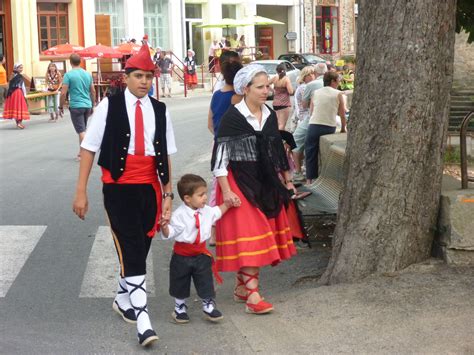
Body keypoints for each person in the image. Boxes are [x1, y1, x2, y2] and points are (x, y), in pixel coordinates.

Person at [72, 43, 177, 347]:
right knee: (130, 245)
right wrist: (80, 192)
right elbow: (89, 147)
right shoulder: (110, 105)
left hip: (150, 187)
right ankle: (143, 319)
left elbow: (166, 153)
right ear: (127, 77)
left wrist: (168, 192)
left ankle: (122, 297)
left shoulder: (160, 109)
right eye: (139, 76)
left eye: (149, 76)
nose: (145, 81)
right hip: (118, 186)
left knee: (140, 247)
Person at [211, 65, 297, 315]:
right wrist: (227, 191)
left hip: (265, 180)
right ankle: (253, 297)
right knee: (253, 237)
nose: (266, 91)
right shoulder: (232, 118)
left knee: (257, 237)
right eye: (260, 87)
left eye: (267, 86)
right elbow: (220, 160)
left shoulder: (269, 114)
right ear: (245, 89)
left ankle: (241, 288)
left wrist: (287, 180)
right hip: (238, 181)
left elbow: (276, 151)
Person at [160, 174, 231, 324]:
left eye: (205, 193)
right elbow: (171, 233)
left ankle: (208, 306)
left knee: (205, 280)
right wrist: (165, 227)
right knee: (180, 281)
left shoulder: (206, 210)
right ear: (187, 198)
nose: (205, 198)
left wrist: (228, 204)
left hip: (201, 254)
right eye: (201, 195)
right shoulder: (179, 215)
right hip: (182, 255)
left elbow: (218, 211)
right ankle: (179, 308)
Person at [207, 59, 243, 246]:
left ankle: (214, 233)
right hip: (237, 147)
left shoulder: (216, 95)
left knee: (217, 188)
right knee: (239, 185)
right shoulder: (238, 97)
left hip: (218, 145)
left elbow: (210, 125)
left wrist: (219, 137)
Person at [305, 71, 347, 184]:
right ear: (333, 81)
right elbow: (342, 114)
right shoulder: (338, 94)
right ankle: (326, 179)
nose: (338, 83)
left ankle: (309, 179)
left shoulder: (316, 92)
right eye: (337, 81)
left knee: (310, 151)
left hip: (314, 124)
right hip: (329, 126)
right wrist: (343, 128)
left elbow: (311, 111)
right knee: (328, 154)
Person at [59, 54, 95, 160]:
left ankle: (87, 153)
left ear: (70, 62)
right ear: (80, 62)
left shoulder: (68, 75)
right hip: (87, 105)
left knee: (81, 131)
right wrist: (92, 104)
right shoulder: (87, 74)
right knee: (82, 130)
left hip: (76, 105)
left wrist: (60, 106)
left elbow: (63, 93)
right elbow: (92, 91)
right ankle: (81, 153)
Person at [292, 66, 316, 181]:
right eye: (310, 74)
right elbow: (307, 105)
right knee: (297, 145)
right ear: (304, 76)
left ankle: (300, 170)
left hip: (305, 118)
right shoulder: (304, 88)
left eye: (313, 74)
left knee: (301, 145)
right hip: (305, 119)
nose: (312, 76)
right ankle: (298, 171)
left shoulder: (305, 87)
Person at [2, 63, 29, 129]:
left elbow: (9, 85)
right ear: (16, 68)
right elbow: (22, 86)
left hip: (12, 93)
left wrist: (8, 94)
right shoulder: (19, 76)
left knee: (15, 108)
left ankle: (18, 123)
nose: (21, 69)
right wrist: (25, 94)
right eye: (20, 67)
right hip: (18, 93)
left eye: (22, 67)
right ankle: (19, 123)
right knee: (20, 107)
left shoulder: (12, 75)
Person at [269, 63, 294, 130]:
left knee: (277, 123)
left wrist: (273, 90)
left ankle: (280, 137)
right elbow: (290, 91)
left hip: (275, 103)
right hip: (284, 103)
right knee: (282, 124)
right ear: (285, 70)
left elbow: (266, 84)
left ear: (277, 71)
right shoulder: (286, 79)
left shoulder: (275, 78)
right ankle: (279, 138)